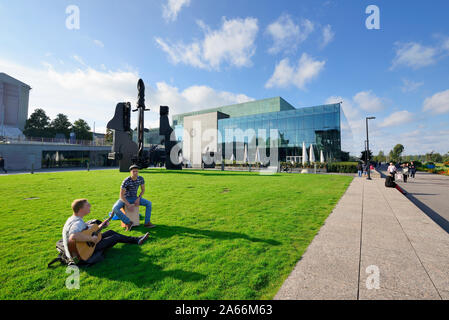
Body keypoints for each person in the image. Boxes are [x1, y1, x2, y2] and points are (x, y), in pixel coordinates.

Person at [63, 199, 149, 264]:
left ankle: (136, 239)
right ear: (81, 209)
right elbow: (73, 236)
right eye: (87, 205)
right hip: (85, 250)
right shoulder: (77, 223)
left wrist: (101, 226)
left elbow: (87, 231)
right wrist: (92, 239)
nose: (90, 206)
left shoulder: (73, 218)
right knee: (115, 237)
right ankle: (137, 240)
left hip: (82, 245)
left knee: (111, 232)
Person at [111, 164, 155, 230]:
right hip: (125, 199)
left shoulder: (140, 179)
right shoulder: (126, 181)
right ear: (130, 172)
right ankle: (128, 222)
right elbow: (121, 195)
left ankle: (147, 223)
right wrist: (128, 205)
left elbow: (143, 190)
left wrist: (138, 198)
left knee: (149, 203)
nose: (135, 173)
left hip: (135, 198)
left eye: (136, 171)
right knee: (115, 208)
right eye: (133, 171)